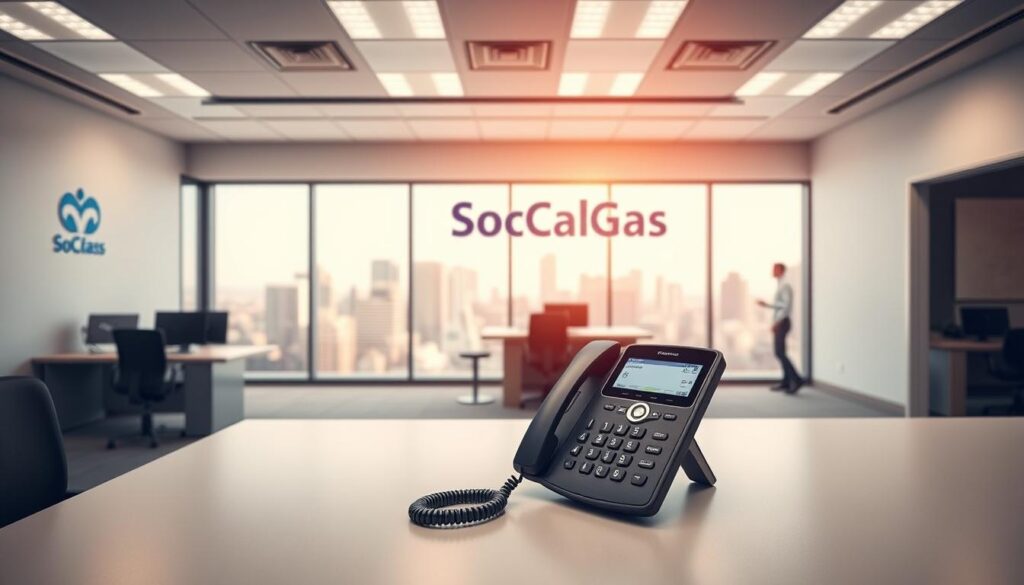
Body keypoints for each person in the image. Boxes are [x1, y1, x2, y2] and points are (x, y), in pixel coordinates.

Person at [757, 263, 804, 394]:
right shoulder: (780, 284)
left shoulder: (785, 285)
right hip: (781, 322)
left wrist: (777, 322)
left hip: (782, 322)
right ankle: (786, 381)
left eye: (774, 269)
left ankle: (797, 379)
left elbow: (785, 306)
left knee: (780, 352)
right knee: (780, 352)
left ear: (780, 270)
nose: (772, 271)